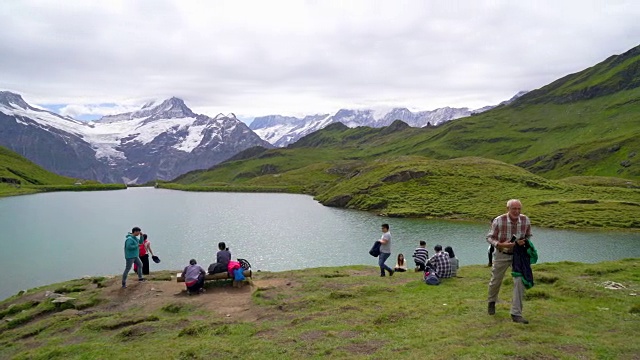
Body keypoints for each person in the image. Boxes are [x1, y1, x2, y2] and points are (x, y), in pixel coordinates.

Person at [486, 199, 533, 324]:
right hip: (502, 254)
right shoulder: (499, 220)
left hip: (518, 256)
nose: (517, 211)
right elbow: (489, 237)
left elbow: (528, 235)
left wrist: (524, 242)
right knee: (495, 280)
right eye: (514, 209)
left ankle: (516, 313)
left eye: (519, 209)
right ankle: (491, 301)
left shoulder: (525, 220)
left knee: (519, 281)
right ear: (508, 209)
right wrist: (500, 244)